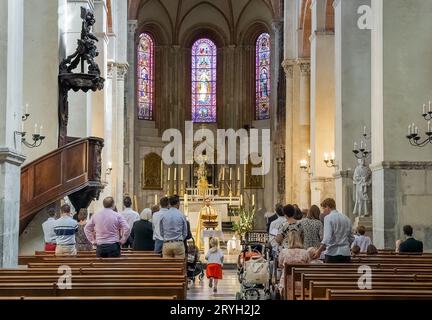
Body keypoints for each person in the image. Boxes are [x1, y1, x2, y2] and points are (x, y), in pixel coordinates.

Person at [313, 198, 354, 263]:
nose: (323, 211)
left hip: (332, 253)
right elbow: (351, 237)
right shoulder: (346, 218)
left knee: (331, 273)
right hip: (346, 253)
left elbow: (327, 238)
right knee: (344, 273)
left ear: (328, 206)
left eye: (323, 208)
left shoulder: (328, 218)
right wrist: (346, 246)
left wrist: (319, 251)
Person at [278, 230, 310, 299]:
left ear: (288, 240)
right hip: (302, 283)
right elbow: (308, 266)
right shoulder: (305, 252)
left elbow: (280, 265)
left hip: (287, 283)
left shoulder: (284, 252)